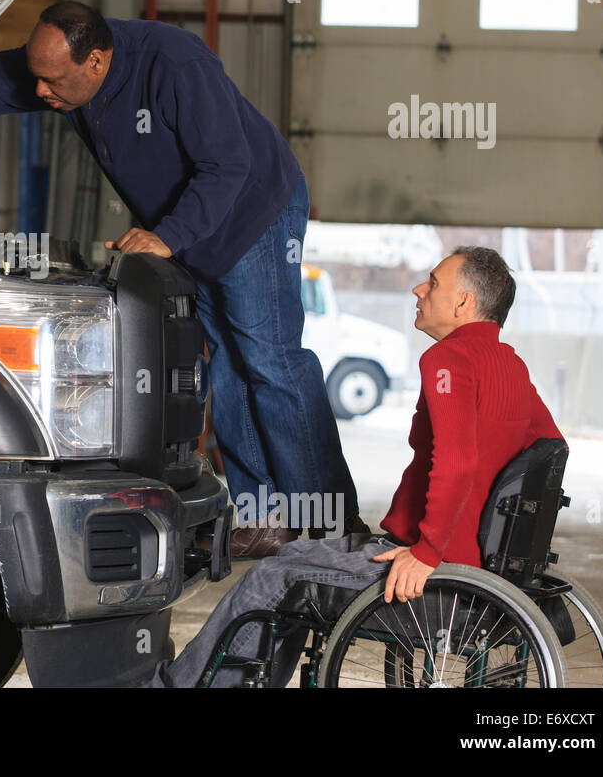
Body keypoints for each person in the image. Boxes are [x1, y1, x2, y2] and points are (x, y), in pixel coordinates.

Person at [0, 1, 361, 552]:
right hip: (192, 223)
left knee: (269, 360)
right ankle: (266, 518)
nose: (41, 92)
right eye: (36, 78)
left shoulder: (175, 63)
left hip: (253, 209)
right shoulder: (57, 70)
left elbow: (228, 166)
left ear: (97, 61)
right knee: (228, 367)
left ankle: (332, 523)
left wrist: (167, 237)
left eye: (52, 82)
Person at [146, 246, 563, 687]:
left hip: (438, 568)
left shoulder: (450, 359)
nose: (419, 290)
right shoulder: (512, 366)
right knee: (291, 556)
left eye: (434, 283)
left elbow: (457, 461)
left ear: (463, 303)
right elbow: (550, 449)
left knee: (272, 576)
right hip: (473, 567)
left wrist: (428, 551)